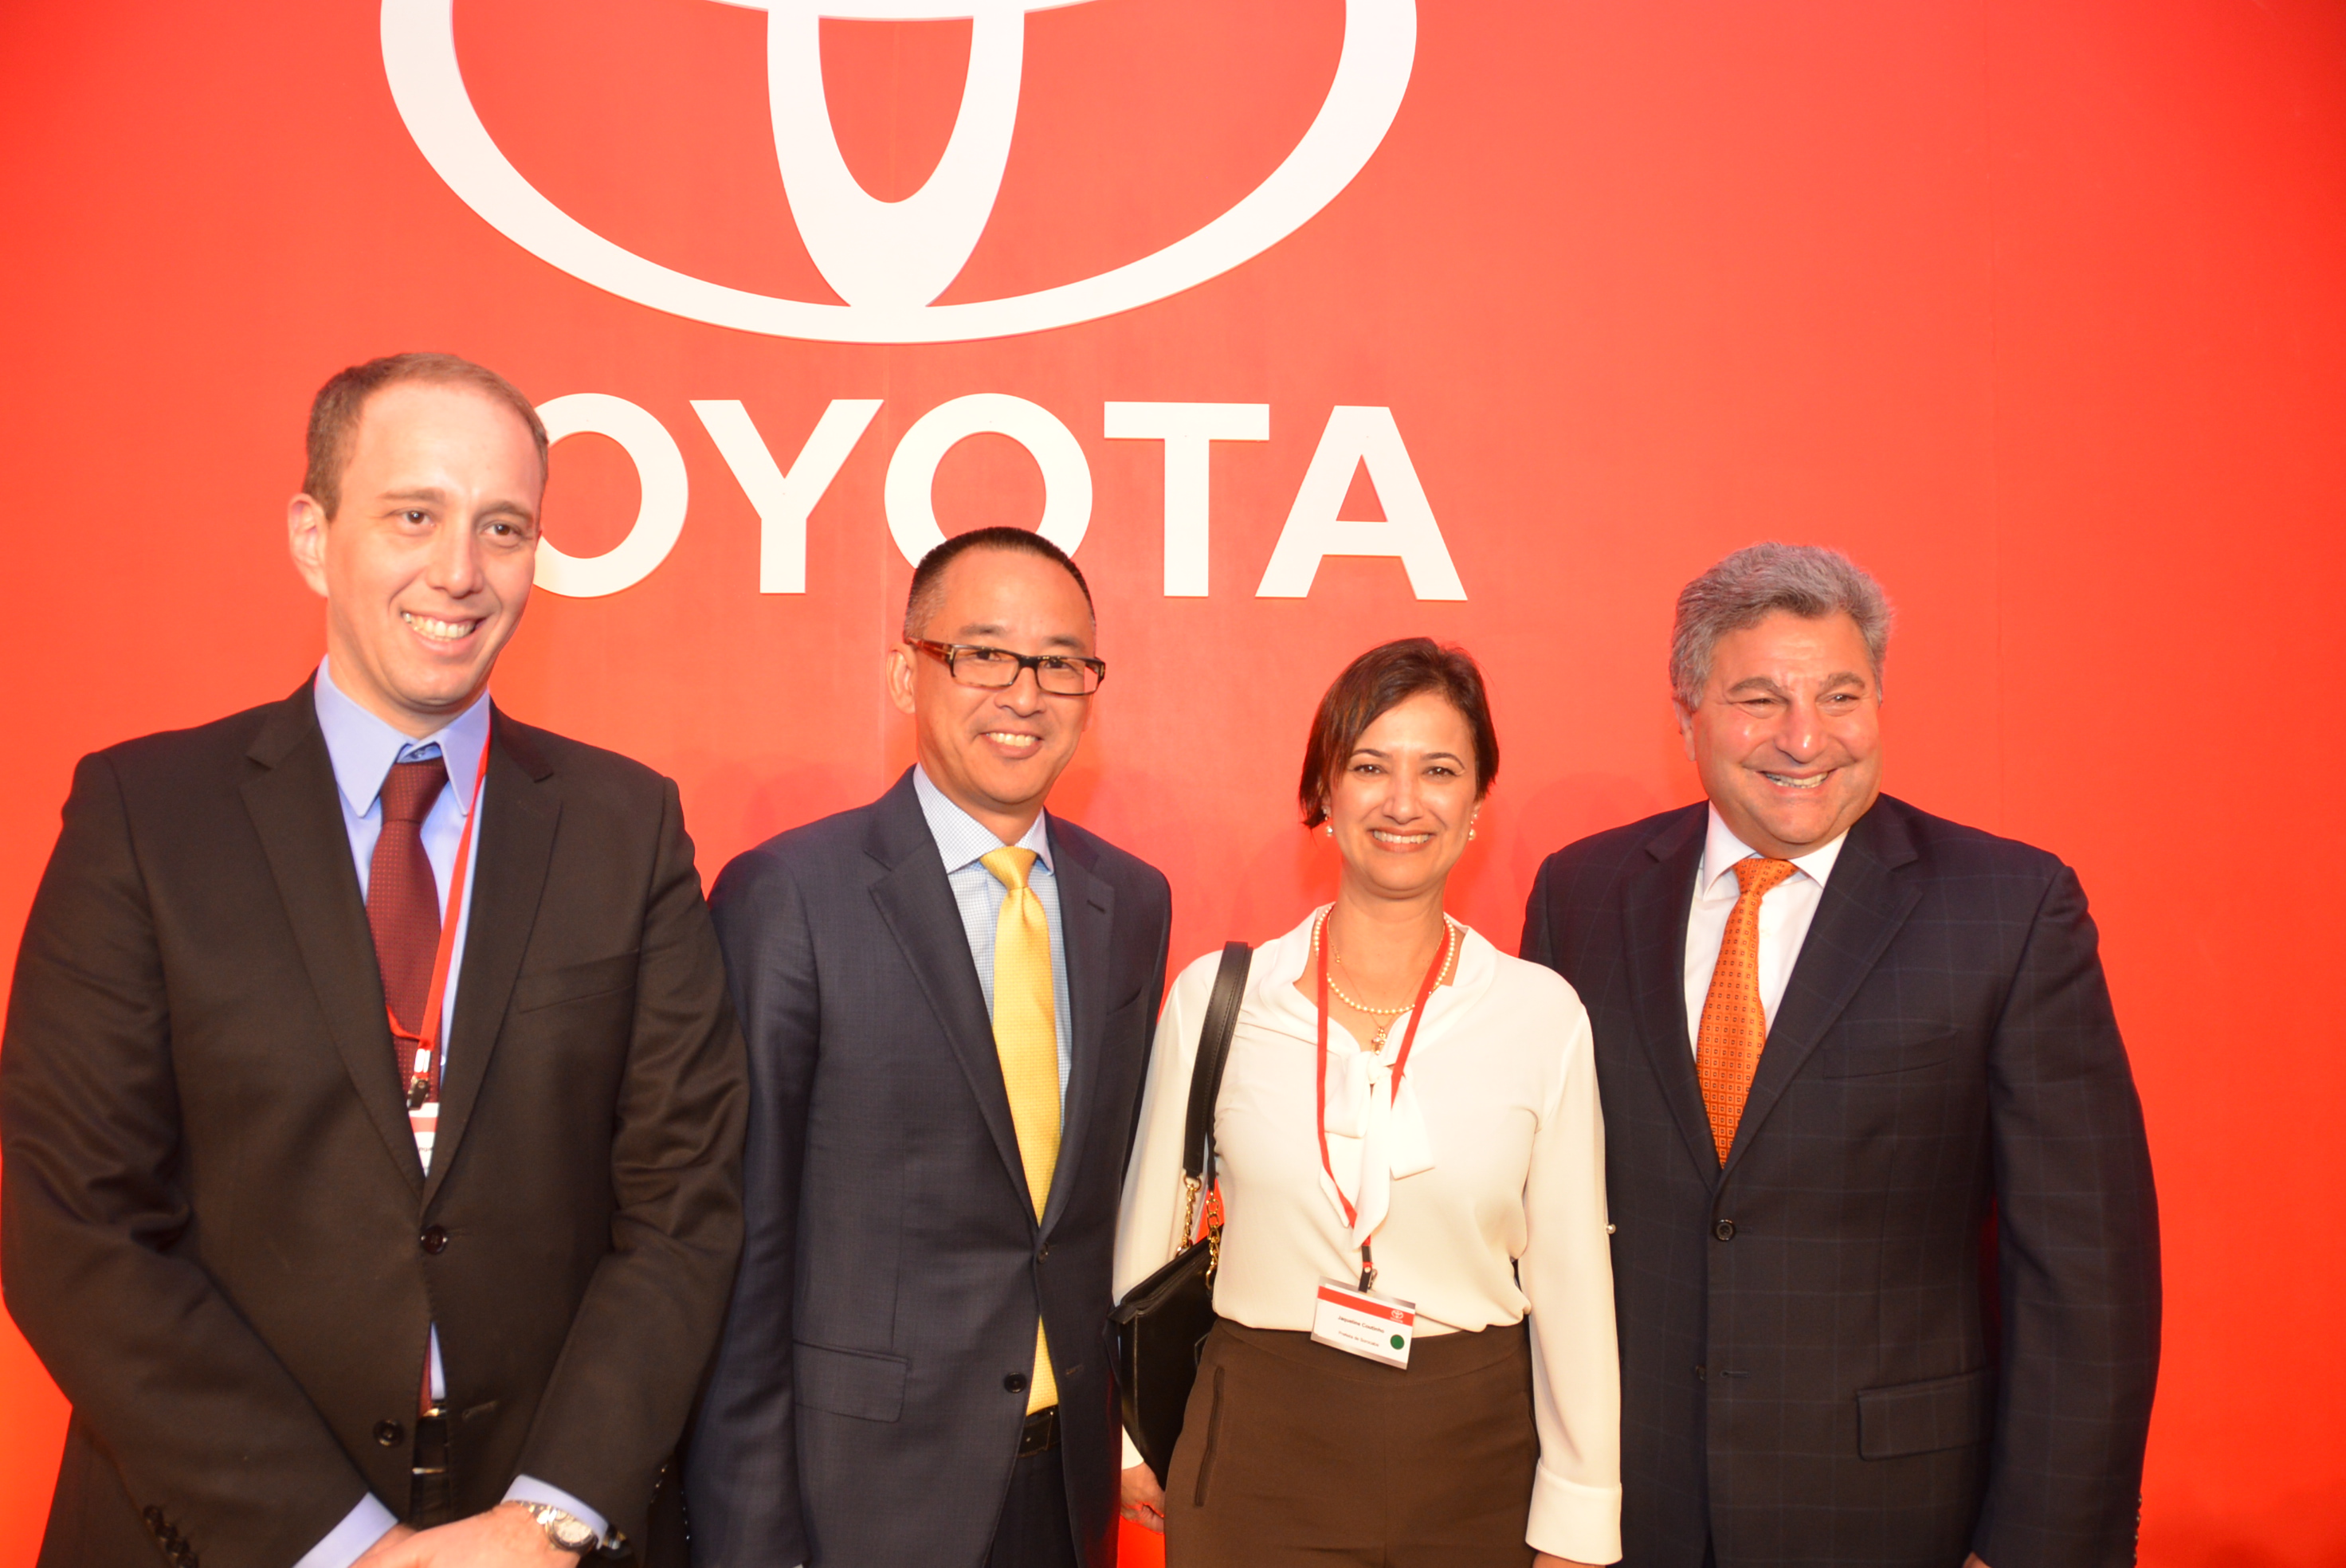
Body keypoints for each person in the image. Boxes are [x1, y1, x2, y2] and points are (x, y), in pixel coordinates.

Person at [0, 353, 749, 1566]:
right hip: (218, 1527)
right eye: (414, 515)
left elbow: (684, 1204)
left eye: (503, 527)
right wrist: (348, 1546)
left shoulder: (625, 825)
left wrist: (550, 1515)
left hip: (531, 1532)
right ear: (314, 537)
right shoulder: (146, 815)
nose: (459, 570)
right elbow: (73, 1225)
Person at [1520, 543, 2160, 1568]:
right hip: (1628, 1516)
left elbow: (2086, 1276)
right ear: (1687, 713)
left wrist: (2035, 1548)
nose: (1804, 737)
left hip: (1897, 1515)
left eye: (1839, 696)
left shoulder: (2008, 908)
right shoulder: (1581, 895)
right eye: (1759, 699)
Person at [684, 526, 1173, 1568]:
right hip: (861, 1500)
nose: (1025, 694)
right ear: (907, 674)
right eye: (984, 654)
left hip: (1069, 1493)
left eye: (1060, 664)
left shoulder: (1129, 902)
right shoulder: (789, 896)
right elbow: (739, 1245)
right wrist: (750, 1538)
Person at [1115, 637, 1622, 1568]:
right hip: (1257, 1443)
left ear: (1477, 804)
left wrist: (1581, 1513)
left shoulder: (1540, 1014)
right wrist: (1126, 1435)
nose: (1403, 801)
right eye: (1369, 767)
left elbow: (1571, 1277)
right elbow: (1149, 1229)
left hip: (1478, 1453)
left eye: (1439, 771)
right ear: (1324, 791)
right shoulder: (1220, 998)